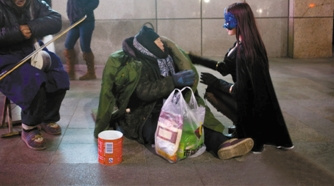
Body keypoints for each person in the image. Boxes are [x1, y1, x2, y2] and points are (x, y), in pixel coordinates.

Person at [94, 24, 254, 160]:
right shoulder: (137, 64)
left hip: (170, 105)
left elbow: (186, 71)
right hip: (142, 115)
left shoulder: (166, 59)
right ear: (149, 46)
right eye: (158, 42)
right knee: (173, 129)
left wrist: (177, 68)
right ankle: (216, 143)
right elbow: (143, 91)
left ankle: (222, 143)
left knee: (192, 121)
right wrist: (173, 81)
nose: (162, 45)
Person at [0, 0, 69, 150]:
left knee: (58, 74)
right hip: (0, 58)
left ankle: (47, 117)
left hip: (30, 51)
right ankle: (29, 126)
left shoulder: (33, 2)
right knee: (33, 81)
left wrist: (31, 27)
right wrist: (16, 32)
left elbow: (55, 19)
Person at [189, 2, 294, 153]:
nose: (226, 25)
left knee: (212, 90)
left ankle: (246, 131)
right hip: (255, 102)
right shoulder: (244, 45)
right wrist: (198, 60)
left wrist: (218, 83)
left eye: (229, 21)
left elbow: (241, 89)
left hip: (251, 105)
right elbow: (225, 67)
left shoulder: (245, 50)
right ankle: (245, 128)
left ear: (240, 22)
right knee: (215, 87)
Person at [63, 0, 99, 80]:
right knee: (68, 44)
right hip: (74, 21)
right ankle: (71, 72)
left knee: (85, 46)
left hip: (86, 21)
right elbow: (70, 3)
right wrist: (70, 14)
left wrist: (84, 11)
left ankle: (91, 73)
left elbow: (95, 1)